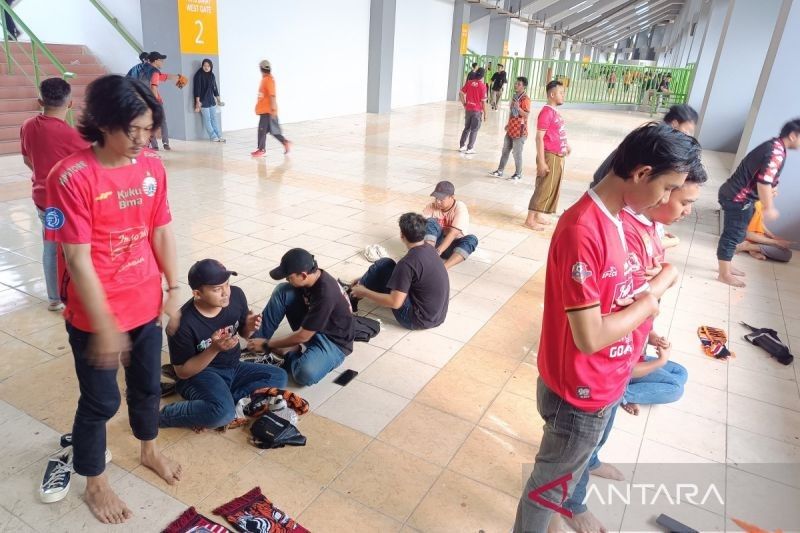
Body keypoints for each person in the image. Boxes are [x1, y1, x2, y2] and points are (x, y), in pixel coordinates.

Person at [513, 122, 702, 533]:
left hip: (604, 379)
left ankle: (566, 509)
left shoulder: (620, 219)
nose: (668, 200)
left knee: (563, 473)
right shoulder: (585, 229)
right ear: (640, 173)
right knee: (549, 484)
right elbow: (590, 335)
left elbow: (617, 293)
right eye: (668, 188)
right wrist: (653, 297)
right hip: (581, 389)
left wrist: (643, 315)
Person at [44, 74, 182, 524]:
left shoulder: (151, 168)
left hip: (145, 304)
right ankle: (95, 480)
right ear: (103, 123)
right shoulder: (71, 176)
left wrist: (174, 288)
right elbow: (77, 259)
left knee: (146, 389)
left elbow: (160, 229)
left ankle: (149, 449)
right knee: (100, 402)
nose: (143, 140)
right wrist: (105, 325)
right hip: (93, 316)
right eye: (133, 130)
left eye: (149, 129)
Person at [560, 163, 707, 519]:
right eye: (682, 199)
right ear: (656, 184)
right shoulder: (612, 229)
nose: (688, 212)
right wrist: (665, 278)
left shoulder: (649, 226)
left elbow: (635, 299)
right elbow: (610, 313)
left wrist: (648, 325)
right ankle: (572, 503)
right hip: (607, 359)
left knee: (678, 378)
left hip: (631, 343)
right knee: (578, 443)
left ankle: (591, 459)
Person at [159, 259, 287, 430]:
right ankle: (164, 415)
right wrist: (213, 349)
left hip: (233, 366)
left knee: (279, 377)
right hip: (200, 375)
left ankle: (215, 405)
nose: (225, 292)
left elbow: (242, 332)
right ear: (197, 293)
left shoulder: (237, 296)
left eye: (226, 284)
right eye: (217, 289)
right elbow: (182, 372)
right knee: (223, 414)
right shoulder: (182, 324)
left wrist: (248, 328)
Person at [19, 78, 89, 311]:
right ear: (70, 103)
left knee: (50, 245)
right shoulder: (72, 136)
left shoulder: (28, 125)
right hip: (66, 202)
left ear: (40, 101)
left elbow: (28, 159)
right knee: (72, 246)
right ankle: (66, 293)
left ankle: (54, 296)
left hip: (41, 199)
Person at [247, 248, 354, 386]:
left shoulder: (326, 293)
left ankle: (288, 352)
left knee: (304, 374)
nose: (287, 279)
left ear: (303, 275)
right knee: (283, 291)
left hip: (333, 341)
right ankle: (256, 344)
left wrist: (268, 345)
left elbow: (303, 336)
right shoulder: (312, 275)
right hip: (314, 322)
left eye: (289, 277)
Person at [716, 119, 800, 286]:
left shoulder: (775, 147)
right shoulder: (776, 151)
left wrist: (773, 188)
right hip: (737, 199)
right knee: (732, 236)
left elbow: (765, 178)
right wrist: (769, 207)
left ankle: (727, 266)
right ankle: (724, 274)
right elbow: (764, 182)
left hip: (742, 199)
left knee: (738, 235)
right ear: (793, 135)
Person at [350, 213, 449, 330]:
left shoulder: (407, 263)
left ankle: (353, 295)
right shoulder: (430, 250)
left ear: (402, 235)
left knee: (382, 265)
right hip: (438, 317)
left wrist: (365, 292)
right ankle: (357, 288)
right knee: (386, 264)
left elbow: (395, 302)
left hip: (416, 320)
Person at [592, 104, 699, 186]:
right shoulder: (659, 143)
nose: (688, 136)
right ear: (675, 124)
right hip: (607, 188)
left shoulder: (656, 134)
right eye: (687, 131)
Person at [525, 80, 570, 230]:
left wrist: (566, 145)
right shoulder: (546, 112)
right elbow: (539, 137)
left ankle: (538, 214)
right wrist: (542, 162)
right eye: (561, 93)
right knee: (543, 187)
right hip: (549, 155)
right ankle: (530, 219)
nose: (563, 95)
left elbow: (556, 132)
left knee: (550, 188)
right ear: (552, 94)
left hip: (558, 155)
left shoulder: (554, 112)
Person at [422, 181, 478, 269]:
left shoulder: (459, 207)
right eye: (436, 198)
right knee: (430, 221)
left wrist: (438, 252)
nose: (438, 202)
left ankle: (443, 268)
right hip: (434, 244)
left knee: (472, 239)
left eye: (441, 199)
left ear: (452, 197)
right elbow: (420, 229)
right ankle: (427, 256)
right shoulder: (431, 206)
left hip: (451, 247)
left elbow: (453, 234)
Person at [489, 76, 530, 181]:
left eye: (519, 84)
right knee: (505, 150)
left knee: (517, 153)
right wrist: (508, 123)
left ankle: (518, 174)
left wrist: (519, 107)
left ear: (524, 87)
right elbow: (512, 112)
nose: (516, 85)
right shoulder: (514, 97)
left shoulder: (525, 99)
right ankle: (500, 171)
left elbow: (526, 115)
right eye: (516, 83)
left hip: (520, 131)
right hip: (511, 128)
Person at [735, 195, 794, 262]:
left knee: (786, 253)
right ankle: (747, 247)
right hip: (747, 238)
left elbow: (760, 222)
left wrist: (773, 236)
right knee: (786, 255)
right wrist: (776, 242)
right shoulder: (748, 204)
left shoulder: (759, 202)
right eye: (773, 191)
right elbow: (746, 233)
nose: (776, 194)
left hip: (757, 239)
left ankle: (751, 248)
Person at [251, 59, 291, 158]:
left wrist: (273, 109)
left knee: (261, 130)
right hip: (266, 110)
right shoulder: (266, 79)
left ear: (261, 69)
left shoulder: (268, 80)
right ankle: (285, 142)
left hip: (267, 111)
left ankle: (261, 150)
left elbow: (272, 95)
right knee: (273, 131)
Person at [147, 52, 180, 151]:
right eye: (161, 60)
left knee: (151, 123)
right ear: (156, 61)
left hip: (147, 102)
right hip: (155, 102)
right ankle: (163, 144)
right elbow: (153, 88)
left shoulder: (147, 71)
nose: (163, 62)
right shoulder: (154, 72)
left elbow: (164, 77)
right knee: (161, 122)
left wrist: (177, 77)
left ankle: (155, 145)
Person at [193, 58, 225, 143]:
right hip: (203, 102)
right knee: (207, 120)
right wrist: (197, 102)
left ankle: (219, 135)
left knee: (214, 119)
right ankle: (213, 136)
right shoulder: (198, 75)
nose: (206, 67)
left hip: (211, 101)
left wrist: (218, 100)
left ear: (211, 67)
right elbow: (197, 90)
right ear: (202, 66)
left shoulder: (212, 75)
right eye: (205, 65)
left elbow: (215, 88)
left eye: (208, 66)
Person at [458, 68, 486, 154]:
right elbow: (483, 102)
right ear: (482, 76)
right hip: (477, 111)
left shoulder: (469, 82)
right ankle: (470, 148)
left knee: (466, 128)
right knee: (474, 129)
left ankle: (462, 146)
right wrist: (485, 113)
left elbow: (461, 93)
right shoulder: (483, 86)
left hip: (468, 109)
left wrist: (464, 103)